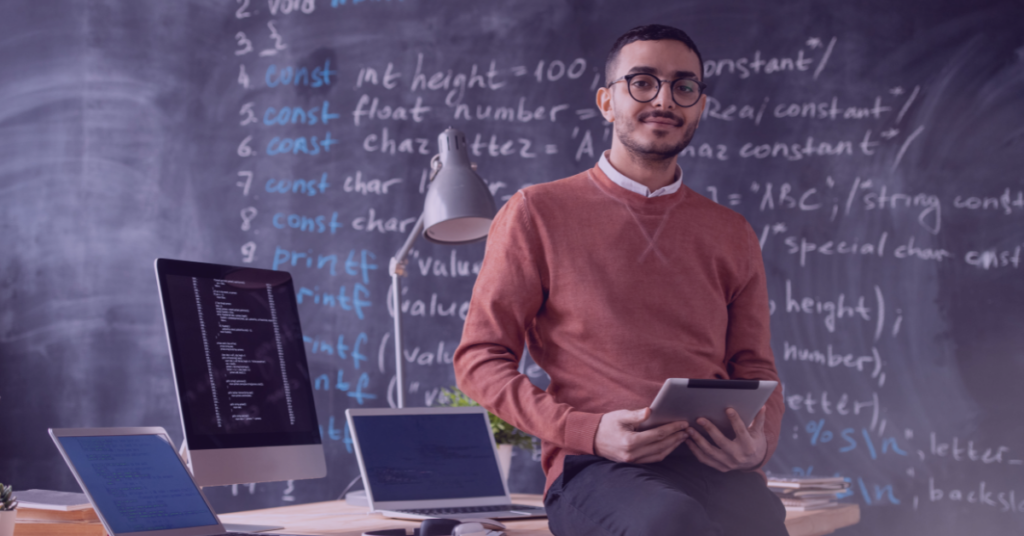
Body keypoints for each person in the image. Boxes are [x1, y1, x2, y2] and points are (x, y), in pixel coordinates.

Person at [453, 24, 786, 536]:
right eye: (643, 82)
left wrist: (760, 443)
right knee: (667, 521)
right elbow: (478, 360)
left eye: (684, 87)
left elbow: (755, 366)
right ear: (607, 102)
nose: (664, 99)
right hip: (597, 468)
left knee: (759, 520)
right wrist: (586, 431)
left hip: (712, 468)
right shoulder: (535, 213)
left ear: (700, 107)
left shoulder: (731, 233)